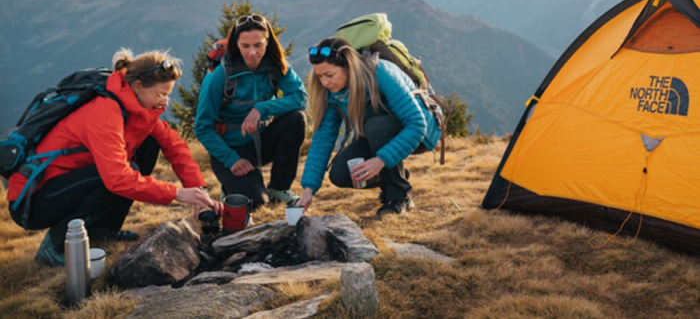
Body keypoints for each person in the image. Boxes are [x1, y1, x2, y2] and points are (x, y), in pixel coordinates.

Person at [7, 49, 223, 267]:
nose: (165, 102)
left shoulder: (137, 107)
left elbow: (174, 145)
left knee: (148, 145)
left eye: (168, 94)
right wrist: (177, 193)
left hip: (68, 184)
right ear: (138, 86)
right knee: (116, 175)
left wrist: (199, 190)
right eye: (160, 94)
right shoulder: (104, 112)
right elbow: (117, 178)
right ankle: (54, 246)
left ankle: (102, 228)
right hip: (33, 199)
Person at [298, 37, 442, 216]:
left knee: (376, 127)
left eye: (329, 75)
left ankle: (399, 197)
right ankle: (396, 174)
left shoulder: (380, 72)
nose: (325, 82)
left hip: (422, 132)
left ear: (348, 67)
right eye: (320, 76)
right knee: (340, 174)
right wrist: (308, 190)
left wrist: (381, 160)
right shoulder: (331, 94)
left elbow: (417, 124)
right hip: (378, 133)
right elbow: (322, 140)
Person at [195, 13, 307, 210]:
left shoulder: (277, 66)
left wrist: (261, 108)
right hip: (230, 150)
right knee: (254, 204)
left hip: (261, 142)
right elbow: (202, 128)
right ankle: (231, 188)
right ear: (236, 45)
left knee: (296, 119)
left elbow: (300, 98)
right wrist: (232, 160)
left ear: (268, 43)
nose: (253, 53)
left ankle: (279, 188)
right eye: (245, 46)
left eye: (258, 45)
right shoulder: (219, 77)